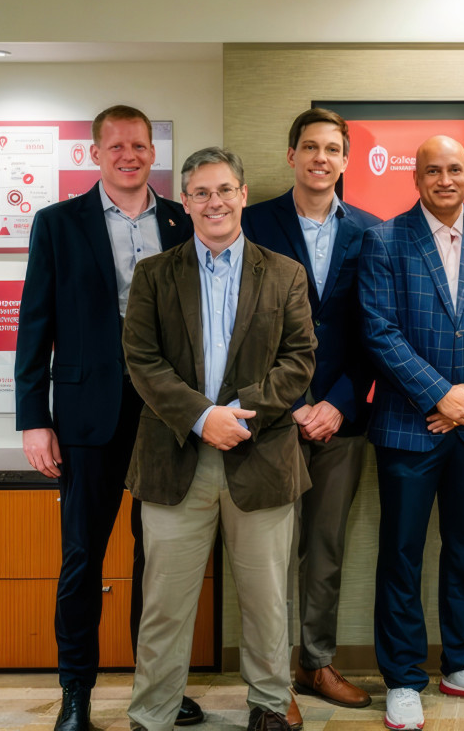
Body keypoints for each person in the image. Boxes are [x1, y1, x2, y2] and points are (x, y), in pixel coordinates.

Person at [14, 105, 202, 731]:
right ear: (94, 153)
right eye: (117, 146)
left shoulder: (183, 221)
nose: (129, 156)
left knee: (161, 560)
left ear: (155, 153)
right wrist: (32, 420)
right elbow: (34, 325)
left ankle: (160, 690)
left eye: (140, 146)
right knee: (82, 559)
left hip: (168, 415)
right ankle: (76, 695)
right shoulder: (58, 224)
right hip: (85, 416)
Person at [122, 148, 316, 731]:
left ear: (244, 193)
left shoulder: (284, 272)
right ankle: (152, 713)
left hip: (260, 459)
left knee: (266, 601)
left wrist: (239, 414)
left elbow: (299, 360)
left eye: (224, 190)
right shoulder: (154, 274)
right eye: (201, 193)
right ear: (185, 202)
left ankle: (267, 706)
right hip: (176, 460)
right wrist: (204, 417)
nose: (215, 202)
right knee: (165, 605)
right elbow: (143, 361)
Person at [358, 135, 464, 731]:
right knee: (401, 556)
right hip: (408, 427)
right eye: (433, 170)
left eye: (454, 168)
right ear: (417, 178)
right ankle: (403, 678)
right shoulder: (383, 240)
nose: (445, 179)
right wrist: (440, 395)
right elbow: (378, 331)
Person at [242, 108, 379, 710]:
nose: (321, 158)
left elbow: (380, 332)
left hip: (342, 421)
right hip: (269, 417)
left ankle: (314, 665)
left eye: (332, 149)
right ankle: (270, 685)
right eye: (309, 147)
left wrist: (339, 405)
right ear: (292, 155)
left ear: (346, 161)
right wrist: (295, 404)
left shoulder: (373, 233)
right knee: (265, 557)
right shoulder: (250, 223)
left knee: (324, 551)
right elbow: (237, 328)